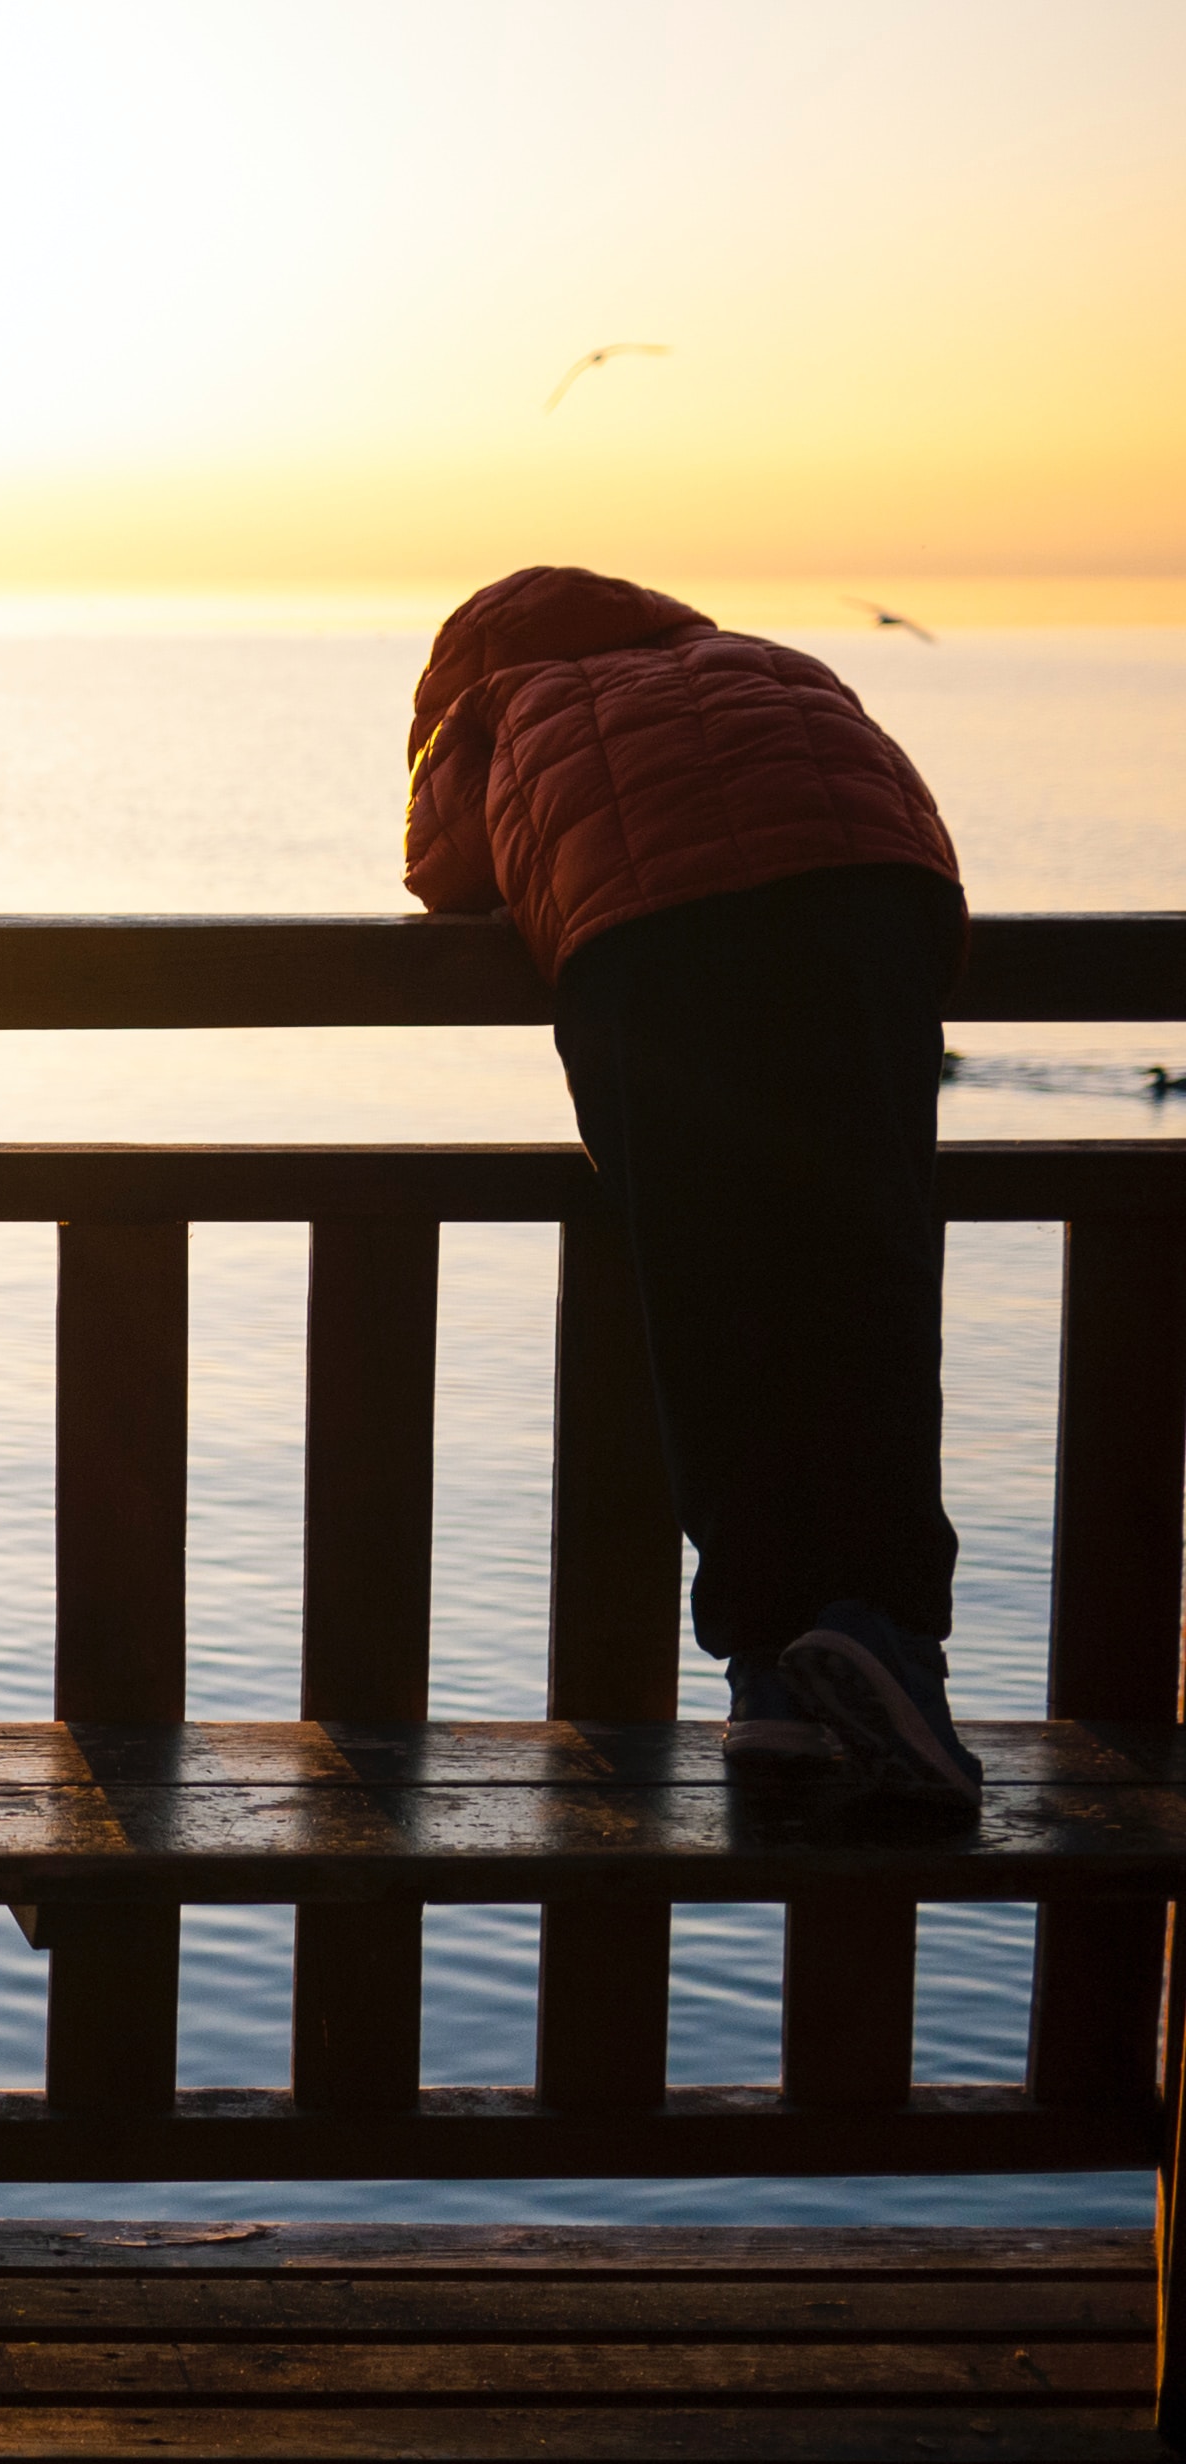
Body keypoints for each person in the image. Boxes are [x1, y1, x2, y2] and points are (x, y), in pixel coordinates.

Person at [404, 565, 975, 1796]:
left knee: (707, 1294)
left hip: (654, 941)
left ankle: (770, 1665)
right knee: (868, 1272)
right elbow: (882, 792)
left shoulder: (500, 706)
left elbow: (440, 871)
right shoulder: (768, 659)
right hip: (865, 908)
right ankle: (882, 1641)